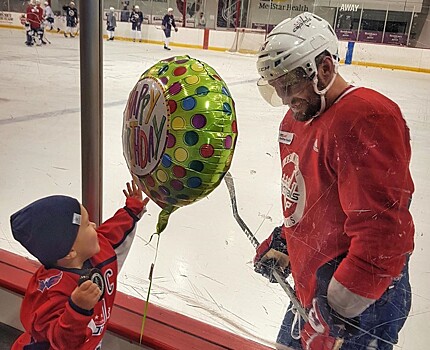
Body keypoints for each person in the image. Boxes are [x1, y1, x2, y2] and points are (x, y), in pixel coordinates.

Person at [253, 12, 414, 350]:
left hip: (363, 300)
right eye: (277, 87)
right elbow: (314, 200)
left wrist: (338, 308)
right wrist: (286, 240)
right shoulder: (296, 118)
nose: (284, 98)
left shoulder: (365, 117)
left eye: (290, 85)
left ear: (324, 69)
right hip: (319, 290)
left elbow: (383, 234)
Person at [10, 180, 149, 349]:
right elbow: (61, 342)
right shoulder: (51, 292)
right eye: (86, 224)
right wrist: (77, 309)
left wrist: (132, 209)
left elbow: (114, 231)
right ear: (70, 252)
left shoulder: (99, 249)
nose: (94, 225)